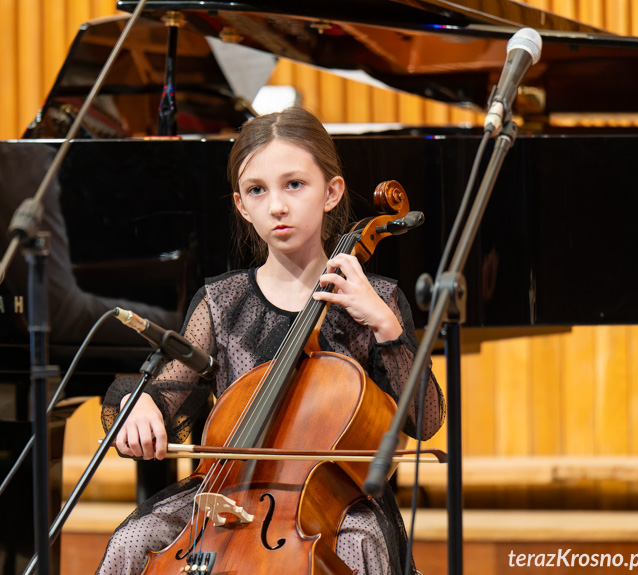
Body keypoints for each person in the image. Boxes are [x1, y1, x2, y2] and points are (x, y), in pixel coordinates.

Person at [96, 107, 445, 575]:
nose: (276, 205)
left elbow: (426, 421)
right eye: (258, 190)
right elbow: (166, 394)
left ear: (331, 192)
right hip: (228, 494)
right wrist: (135, 406)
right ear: (241, 204)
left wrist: (387, 328)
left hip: (336, 504)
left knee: (359, 547)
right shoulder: (222, 302)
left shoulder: (377, 299)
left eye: (294, 184)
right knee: (130, 539)